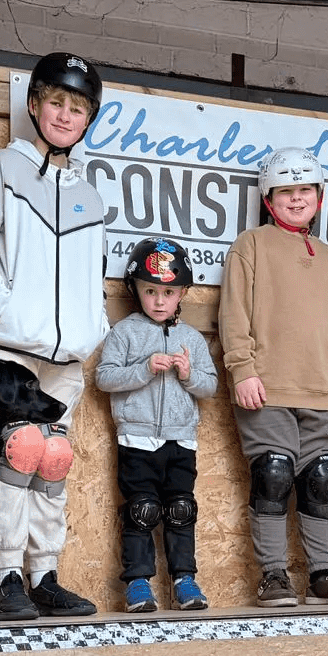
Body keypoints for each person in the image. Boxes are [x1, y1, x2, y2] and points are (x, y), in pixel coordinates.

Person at [0, 51, 109, 622]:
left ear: (88, 119)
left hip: (66, 356)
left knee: (55, 459)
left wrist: (95, 327)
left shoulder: (90, 192)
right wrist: (5, 307)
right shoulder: (5, 167)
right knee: (16, 454)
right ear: (35, 105)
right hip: (12, 348)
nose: (66, 115)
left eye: (78, 108)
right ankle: (7, 577)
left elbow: (92, 274)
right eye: (57, 102)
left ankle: (45, 575)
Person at [217, 146, 328, 607]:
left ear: (320, 198)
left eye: (305, 190)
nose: (296, 199)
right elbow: (234, 312)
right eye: (286, 191)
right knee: (274, 472)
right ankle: (273, 575)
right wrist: (242, 369)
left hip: (322, 392)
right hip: (267, 389)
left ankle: (323, 574)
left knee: (322, 478)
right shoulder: (252, 245)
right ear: (268, 199)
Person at [95, 237, 218, 612]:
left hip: (181, 440)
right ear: (136, 289)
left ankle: (185, 580)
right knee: (142, 509)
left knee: (181, 508)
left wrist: (188, 374)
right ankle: (137, 583)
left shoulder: (191, 339)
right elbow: (105, 377)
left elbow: (210, 386)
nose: (159, 301)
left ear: (182, 293)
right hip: (137, 438)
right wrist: (144, 369)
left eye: (168, 292)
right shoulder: (126, 333)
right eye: (150, 291)